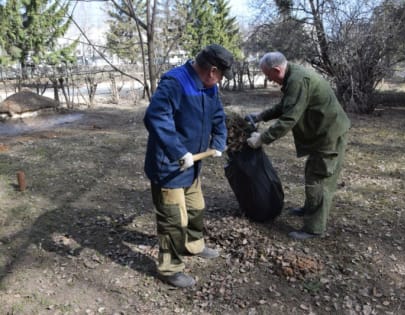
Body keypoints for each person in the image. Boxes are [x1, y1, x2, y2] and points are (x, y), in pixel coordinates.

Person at [143, 44, 234, 287]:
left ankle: (193, 244)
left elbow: (217, 116)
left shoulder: (209, 87)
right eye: (222, 76)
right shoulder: (175, 83)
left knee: (196, 208)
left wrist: (219, 140)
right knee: (174, 219)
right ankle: (169, 268)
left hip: (193, 165)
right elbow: (155, 117)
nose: (220, 81)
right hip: (169, 166)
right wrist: (177, 151)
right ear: (213, 71)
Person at [245, 52, 350, 241]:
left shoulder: (298, 80)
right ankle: (310, 209)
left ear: (277, 69)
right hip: (321, 134)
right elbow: (285, 106)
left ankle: (314, 228)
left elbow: (289, 119)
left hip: (329, 136)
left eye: (269, 76)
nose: (270, 80)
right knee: (313, 172)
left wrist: (263, 138)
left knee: (319, 180)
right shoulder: (293, 76)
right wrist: (261, 116)